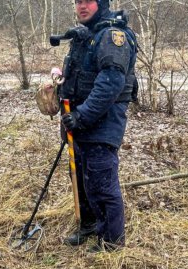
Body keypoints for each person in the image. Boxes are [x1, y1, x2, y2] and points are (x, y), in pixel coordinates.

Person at [58, 0, 138, 252]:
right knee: (81, 178)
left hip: (101, 124)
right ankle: (90, 225)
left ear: (101, 4)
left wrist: (82, 115)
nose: (81, 6)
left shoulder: (113, 36)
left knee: (102, 183)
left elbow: (111, 83)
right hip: (78, 122)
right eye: (77, 2)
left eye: (87, 1)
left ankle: (112, 242)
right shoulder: (88, 35)